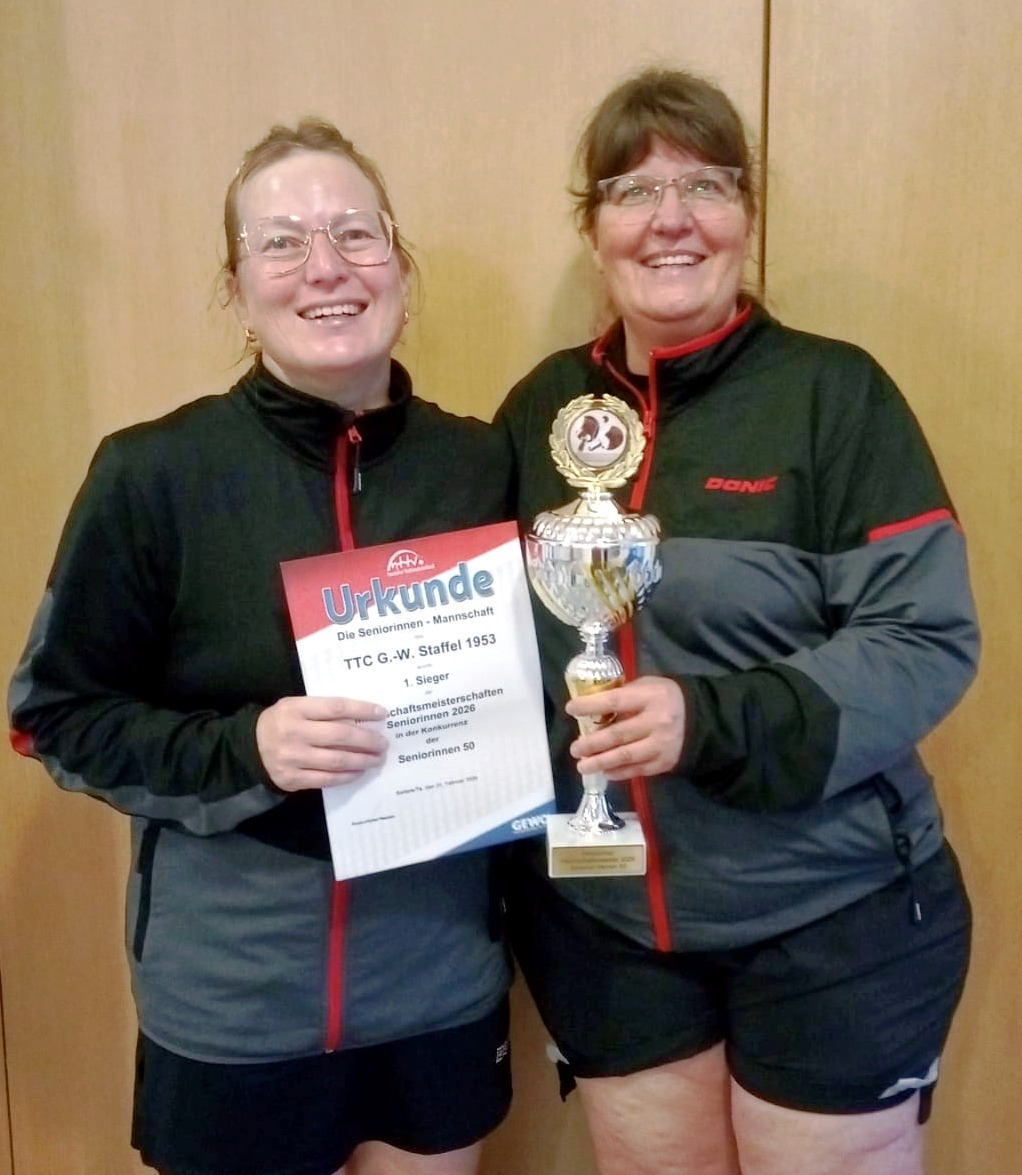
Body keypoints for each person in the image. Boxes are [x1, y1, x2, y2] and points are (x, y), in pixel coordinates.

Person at [8, 118, 513, 1175]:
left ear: (400, 267)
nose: (326, 267)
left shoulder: (479, 466)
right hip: (234, 999)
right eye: (281, 243)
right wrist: (248, 749)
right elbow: (53, 715)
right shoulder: (152, 474)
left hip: (437, 980)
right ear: (237, 292)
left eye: (356, 234)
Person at [496, 67, 977, 1175]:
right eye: (632, 190)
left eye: (704, 184)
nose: (670, 218)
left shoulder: (834, 396)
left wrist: (708, 719)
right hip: (609, 925)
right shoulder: (540, 413)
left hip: (830, 914)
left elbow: (924, 639)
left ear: (746, 214)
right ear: (594, 228)